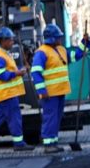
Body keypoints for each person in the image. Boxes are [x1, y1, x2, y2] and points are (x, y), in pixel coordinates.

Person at [30, 23, 84, 153]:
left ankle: (53, 141)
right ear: (52, 39)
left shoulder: (61, 50)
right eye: (58, 37)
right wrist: (42, 91)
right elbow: (36, 72)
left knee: (57, 117)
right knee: (50, 117)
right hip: (50, 93)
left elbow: (76, 55)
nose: (60, 39)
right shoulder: (41, 53)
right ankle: (48, 144)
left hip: (60, 91)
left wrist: (84, 43)